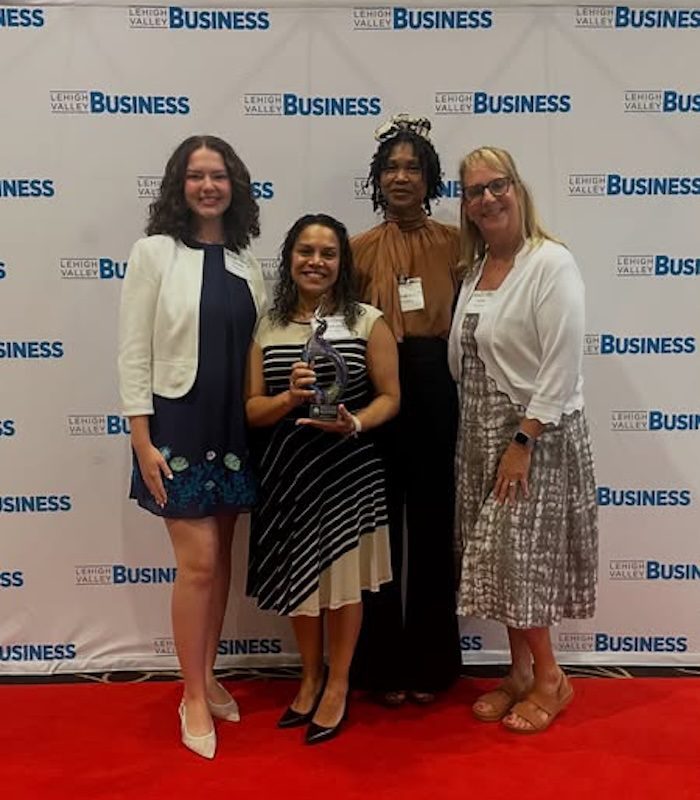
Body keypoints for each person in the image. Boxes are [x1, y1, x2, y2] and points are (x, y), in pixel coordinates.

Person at [118, 135, 266, 759]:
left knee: (222, 560)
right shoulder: (154, 253)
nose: (209, 186)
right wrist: (141, 439)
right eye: (196, 176)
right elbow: (133, 350)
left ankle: (207, 675)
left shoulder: (247, 262)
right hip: (177, 424)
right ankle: (192, 696)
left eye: (220, 175)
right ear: (179, 186)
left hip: (234, 427)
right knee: (198, 564)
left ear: (235, 186)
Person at [448, 146, 598, 733]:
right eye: (474, 192)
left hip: (534, 432)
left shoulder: (550, 263)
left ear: (518, 189)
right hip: (478, 428)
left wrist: (523, 438)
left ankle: (551, 677)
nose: (487, 198)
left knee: (520, 559)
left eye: (497, 185)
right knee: (501, 566)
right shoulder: (477, 267)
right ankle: (517, 674)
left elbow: (562, 364)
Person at [246, 213, 400, 744]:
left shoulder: (367, 321)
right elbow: (252, 410)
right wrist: (289, 397)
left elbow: (391, 398)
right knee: (301, 583)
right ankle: (309, 677)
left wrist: (355, 421)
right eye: (305, 251)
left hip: (348, 471)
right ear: (289, 257)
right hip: (289, 475)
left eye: (328, 253)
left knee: (342, 586)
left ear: (342, 262)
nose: (316, 262)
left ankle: (338, 684)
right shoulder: (267, 324)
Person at [349, 114, 463, 706]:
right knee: (379, 527)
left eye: (412, 166)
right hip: (377, 390)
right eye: (391, 166)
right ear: (377, 177)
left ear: (430, 177)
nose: (401, 176)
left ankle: (433, 664)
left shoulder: (457, 243)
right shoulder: (356, 249)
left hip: (438, 384)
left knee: (435, 523)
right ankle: (381, 665)